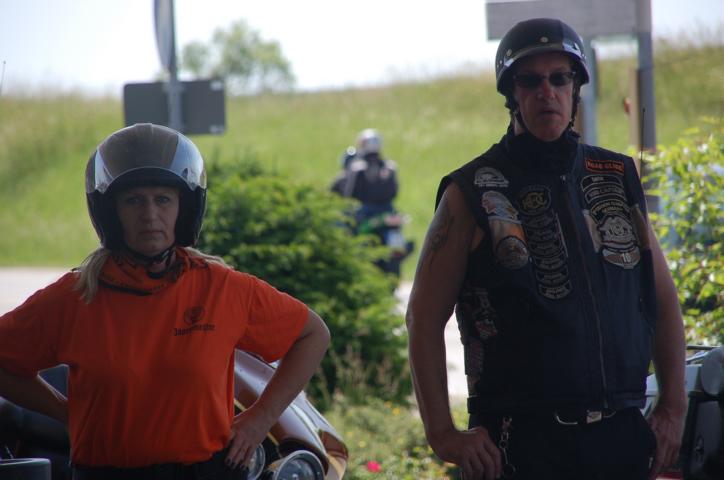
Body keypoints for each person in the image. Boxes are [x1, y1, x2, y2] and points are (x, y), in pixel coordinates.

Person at [406, 18, 686, 480]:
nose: (546, 92)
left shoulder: (615, 177)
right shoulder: (471, 190)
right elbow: (423, 317)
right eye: (530, 81)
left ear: (576, 88)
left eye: (559, 78)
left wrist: (674, 406)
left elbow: (662, 299)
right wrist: (442, 433)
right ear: (510, 93)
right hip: (518, 444)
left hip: (622, 436)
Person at [0, 123, 330, 479]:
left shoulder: (223, 289)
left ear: (184, 209)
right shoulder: (74, 298)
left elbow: (313, 335)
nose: (149, 215)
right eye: (133, 200)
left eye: (163, 199)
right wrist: (64, 411)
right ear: (110, 212)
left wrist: (260, 418)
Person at [330, 128, 398, 223]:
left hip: (364, 212)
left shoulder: (357, 167)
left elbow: (349, 193)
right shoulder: (390, 167)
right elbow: (394, 192)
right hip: (387, 209)